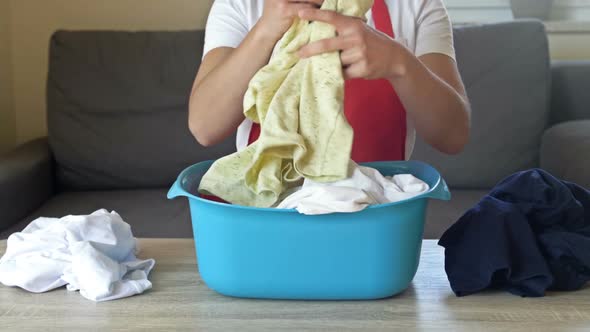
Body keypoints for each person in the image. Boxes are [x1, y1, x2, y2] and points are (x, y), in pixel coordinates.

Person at [189, 0, 471, 163]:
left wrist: (400, 64)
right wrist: (266, 30)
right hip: (270, 215)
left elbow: (453, 135)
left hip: (375, 214)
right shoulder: (240, 5)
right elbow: (205, 127)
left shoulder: (416, 5)